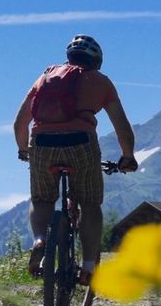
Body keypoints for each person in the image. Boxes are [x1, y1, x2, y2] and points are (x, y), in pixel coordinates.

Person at [13, 34, 137, 285]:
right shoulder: (101, 82)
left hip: (42, 143)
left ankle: (40, 240)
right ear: (97, 61)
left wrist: (24, 150)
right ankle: (89, 267)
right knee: (90, 204)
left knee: (42, 199)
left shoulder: (46, 77)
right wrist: (128, 156)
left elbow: (20, 122)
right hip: (81, 143)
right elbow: (121, 126)